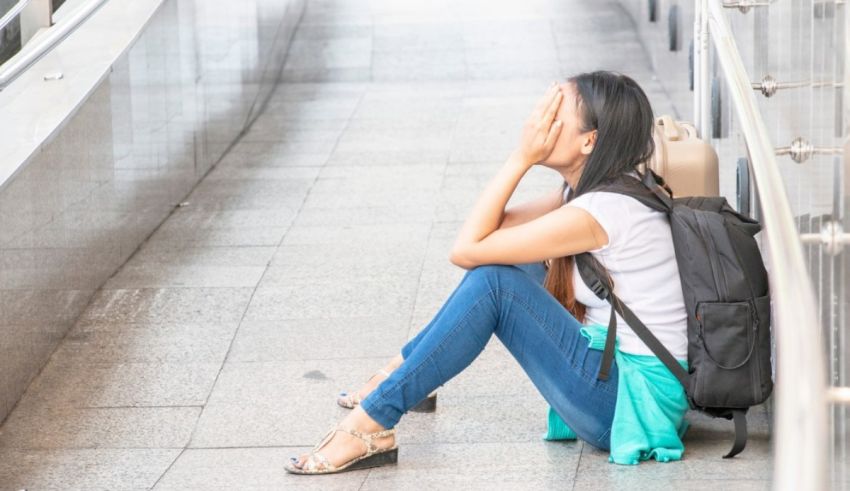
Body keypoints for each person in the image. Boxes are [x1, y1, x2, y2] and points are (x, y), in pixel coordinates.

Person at [285, 70, 690, 475]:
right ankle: (407, 372)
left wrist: (521, 157)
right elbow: (489, 234)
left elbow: (465, 250)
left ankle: (371, 422)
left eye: (553, 115)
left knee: (496, 284)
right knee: (506, 264)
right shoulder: (592, 191)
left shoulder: (602, 210)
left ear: (589, 141)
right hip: (620, 378)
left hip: (628, 405)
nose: (536, 124)